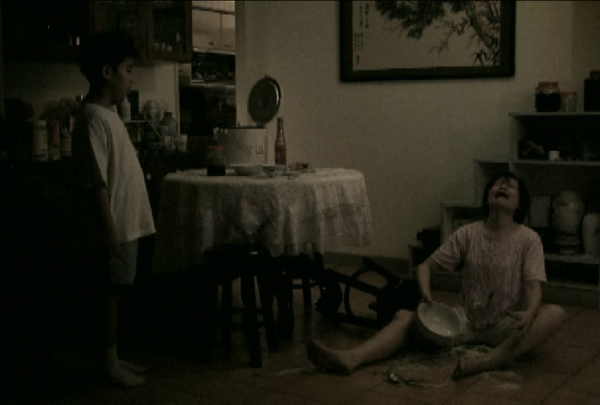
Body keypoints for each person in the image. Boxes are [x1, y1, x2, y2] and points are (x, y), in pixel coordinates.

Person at [307, 172, 565, 379]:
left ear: (520, 204)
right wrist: (426, 294)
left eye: (510, 186)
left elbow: (534, 287)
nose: (502, 186)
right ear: (487, 196)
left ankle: (486, 362)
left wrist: (529, 313)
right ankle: (351, 358)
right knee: (404, 316)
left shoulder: (529, 239)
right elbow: (425, 267)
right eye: (497, 184)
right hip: (462, 322)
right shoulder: (468, 233)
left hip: (506, 325)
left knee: (554, 313)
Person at [71, 31, 156, 388]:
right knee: (107, 293)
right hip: (113, 225)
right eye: (128, 69)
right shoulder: (93, 119)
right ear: (107, 72)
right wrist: (109, 230)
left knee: (116, 291)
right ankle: (106, 363)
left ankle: (113, 356)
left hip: (125, 222)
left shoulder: (109, 115)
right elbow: (96, 182)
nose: (132, 78)